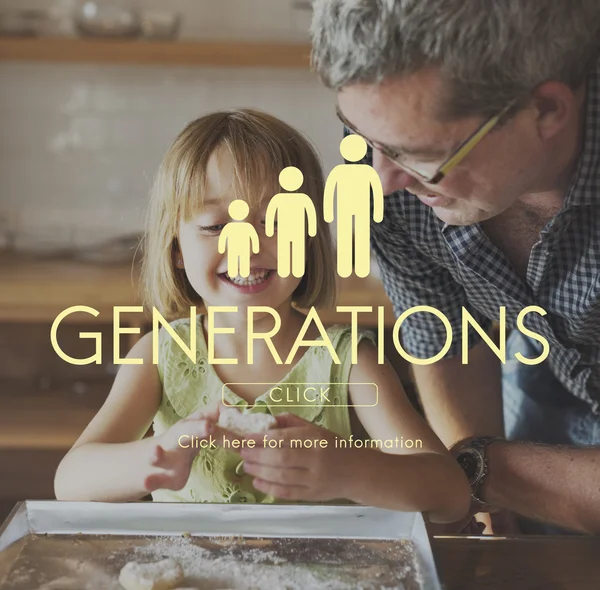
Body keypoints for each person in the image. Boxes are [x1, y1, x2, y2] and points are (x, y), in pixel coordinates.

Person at [53, 108, 469, 523]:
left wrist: (350, 471)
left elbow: (449, 493)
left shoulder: (347, 361)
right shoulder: (160, 356)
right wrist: (153, 458)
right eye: (215, 226)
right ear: (176, 247)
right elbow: (70, 481)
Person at [311, 0, 600, 534]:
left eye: (421, 156)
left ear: (547, 113)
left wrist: (480, 468)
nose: (379, 178)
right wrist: (485, 498)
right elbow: (448, 342)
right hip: (546, 376)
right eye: (361, 135)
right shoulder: (388, 175)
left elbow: (476, 467)